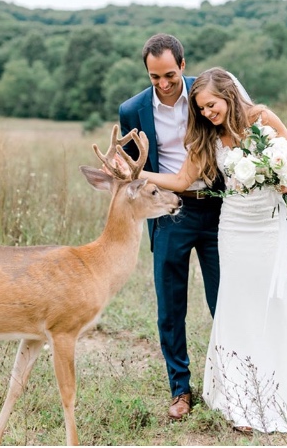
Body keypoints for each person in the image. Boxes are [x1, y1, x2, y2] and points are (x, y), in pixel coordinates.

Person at [138, 67, 287, 433]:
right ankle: (238, 393)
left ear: (228, 94)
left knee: (273, 297)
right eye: (201, 109)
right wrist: (137, 173)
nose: (207, 113)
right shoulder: (209, 136)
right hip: (234, 224)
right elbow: (180, 180)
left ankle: (280, 384)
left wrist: (281, 176)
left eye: (211, 106)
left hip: (270, 221)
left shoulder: (262, 117)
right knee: (235, 301)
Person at [118, 33, 222, 420]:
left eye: (169, 75)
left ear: (182, 64)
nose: (163, 84)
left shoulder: (204, 92)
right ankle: (181, 390)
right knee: (170, 308)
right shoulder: (131, 110)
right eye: (154, 77)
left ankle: (228, 384)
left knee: (223, 302)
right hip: (167, 217)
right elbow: (133, 173)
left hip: (215, 209)